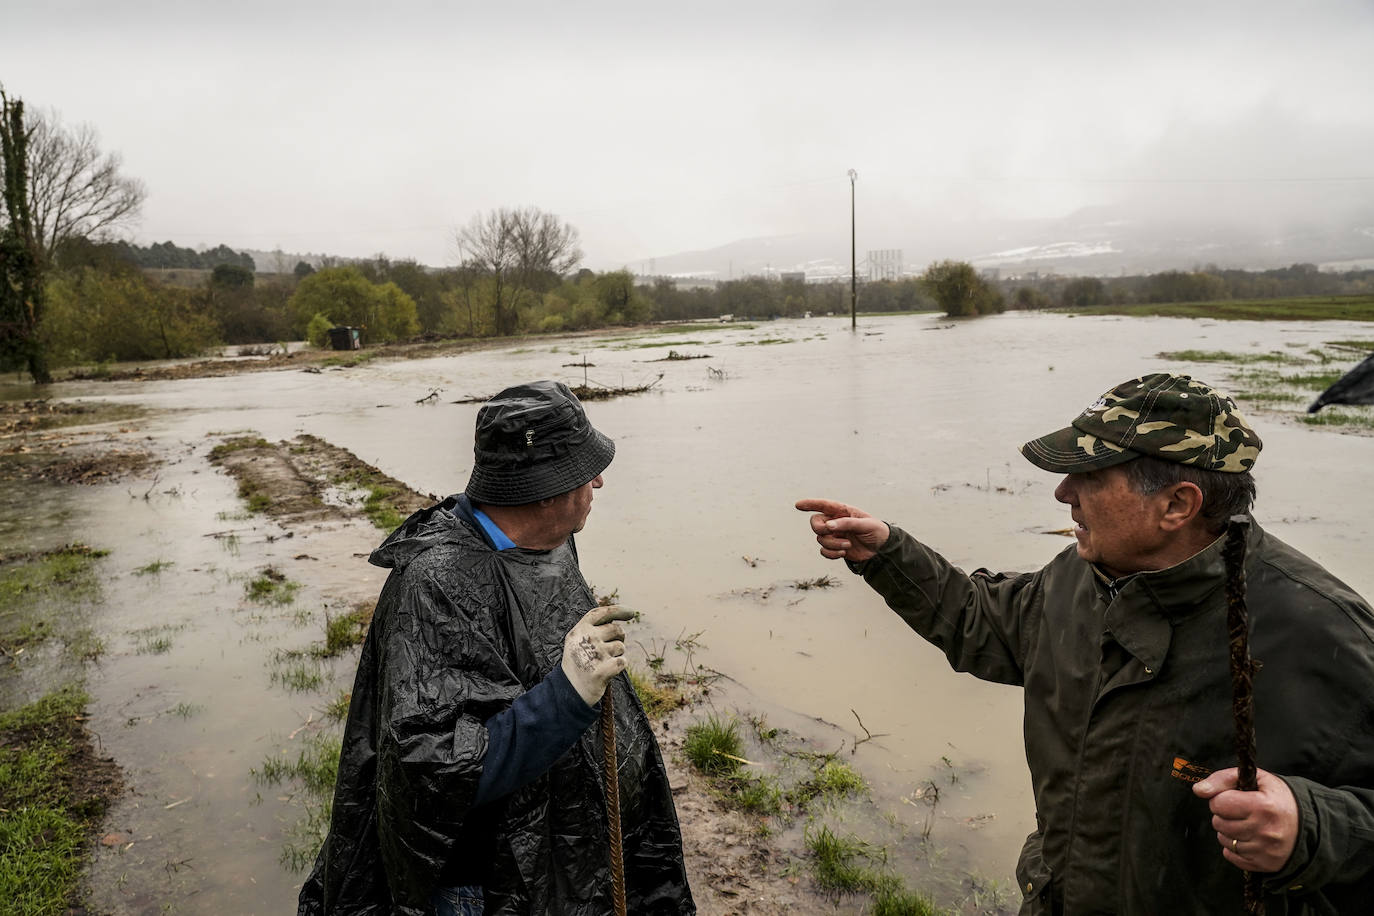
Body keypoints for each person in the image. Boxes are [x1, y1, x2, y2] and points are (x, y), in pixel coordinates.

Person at [798, 372, 1374, 915]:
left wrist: (1311, 827)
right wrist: (887, 554)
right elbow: (981, 622)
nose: (1062, 493)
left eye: (1090, 477)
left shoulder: (1324, 633)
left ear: (1177, 504)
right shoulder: (1079, 577)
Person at [299, 380, 694, 915]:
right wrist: (568, 694)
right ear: (543, 488)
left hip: (564, 848)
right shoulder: (435, 583)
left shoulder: (549, 542)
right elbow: (432, 768)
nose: (598, 481)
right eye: (583, 471)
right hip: (481, 889)